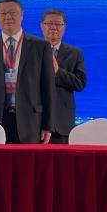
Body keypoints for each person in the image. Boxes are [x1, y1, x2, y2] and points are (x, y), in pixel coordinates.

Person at [0, 0, 56, 144]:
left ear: (22, 15)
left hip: (31, 120)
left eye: (12, 12)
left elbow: (48, 87)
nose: (8, 17)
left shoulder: (40, 46)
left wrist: (48, 125)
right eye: (3, 13)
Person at [40, 9, 86, 144]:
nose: (53, 27)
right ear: (42, 26)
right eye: (49, 23)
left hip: (62, 121)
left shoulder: (75, 53)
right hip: (36, 118)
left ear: (64, 27)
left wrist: (58, 72)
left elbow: (80, 83)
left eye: (58, 24)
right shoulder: (32, 50)